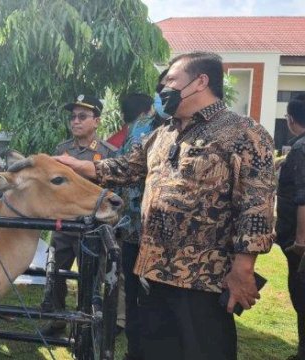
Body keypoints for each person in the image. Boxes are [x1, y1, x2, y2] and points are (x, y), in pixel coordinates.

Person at [53, 52, 275, 360]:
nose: (162, 90)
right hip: (150, 272)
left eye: (170, 80)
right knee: (147, 349)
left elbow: (257, 206)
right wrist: (72, 165)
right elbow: (124, 169)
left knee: (201, 351)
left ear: (200, 82)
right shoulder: (161, 134)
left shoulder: (243, 132)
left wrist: (243, 269)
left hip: (201, 279)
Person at [40, 94, 117, 337]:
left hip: (91, 230)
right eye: (72, 117)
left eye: (82, 116)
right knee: (54, 274)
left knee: (89, 280)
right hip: (63, 227)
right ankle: (57, 319)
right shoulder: (61, 150)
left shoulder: (108, 153)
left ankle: (83, 325)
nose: (75, 121)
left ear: (96, 121)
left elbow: (113, 193)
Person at [115, 93, 159, 360]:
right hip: (146, 235)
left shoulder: (134, 131)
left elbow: (121, 173)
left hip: (137, 232)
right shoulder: (146, 129)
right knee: (146, 297)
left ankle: (137, 351)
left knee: (137, 296)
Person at [276, 94, 305, 360]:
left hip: (299, 243)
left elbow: (303, 197)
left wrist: (300, 241)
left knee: (301, 292)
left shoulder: (300, 148)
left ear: (292, 119)